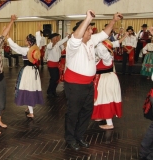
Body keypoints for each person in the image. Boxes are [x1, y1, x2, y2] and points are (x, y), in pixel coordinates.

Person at [64, 10, 122, 150]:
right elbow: (77, 36)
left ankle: (79, 136)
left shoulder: (91, 41)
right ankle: (70, 139)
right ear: (82, 30)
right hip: (74, 85)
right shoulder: (73, 44)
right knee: (73, 113)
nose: (91, 31)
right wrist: (87, 19)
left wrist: (113, 20)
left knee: (86, 112)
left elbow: (105, 34)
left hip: (88, 84)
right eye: (89, 29)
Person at [92, 35, 127, 130]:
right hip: (104, 80)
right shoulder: (103, 57)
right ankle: (101, 115)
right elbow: (112, 45)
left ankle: (109, 123)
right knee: (101, 98)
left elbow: (102, 50)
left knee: (106, 99)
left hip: (106, 80)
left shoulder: (107, 58)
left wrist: (98, 41)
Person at [7, 30, 43, 118]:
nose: (25, 41)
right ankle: (28, 106)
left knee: (27, 88)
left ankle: (31, 112)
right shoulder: (35, 48)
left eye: (26, 40)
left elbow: (16, 47)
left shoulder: (26, 50)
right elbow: (38, 40)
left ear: (29, 41)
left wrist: (8, 38)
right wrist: (38, 32)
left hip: (27, 71)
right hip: (34, 71)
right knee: (32, 87)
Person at [46, 32, 70, 97]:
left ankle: (52, 91)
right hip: (51, 64)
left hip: (56, 64)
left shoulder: (57, 44)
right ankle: (50, 91)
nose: (57, 38)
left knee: (56, 78)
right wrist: (54, 41)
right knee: (54, 78)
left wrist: (68, 37)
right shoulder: (49, 45)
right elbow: (50, 46)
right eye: (56, 37)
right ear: (53, 38)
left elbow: (62, 41)